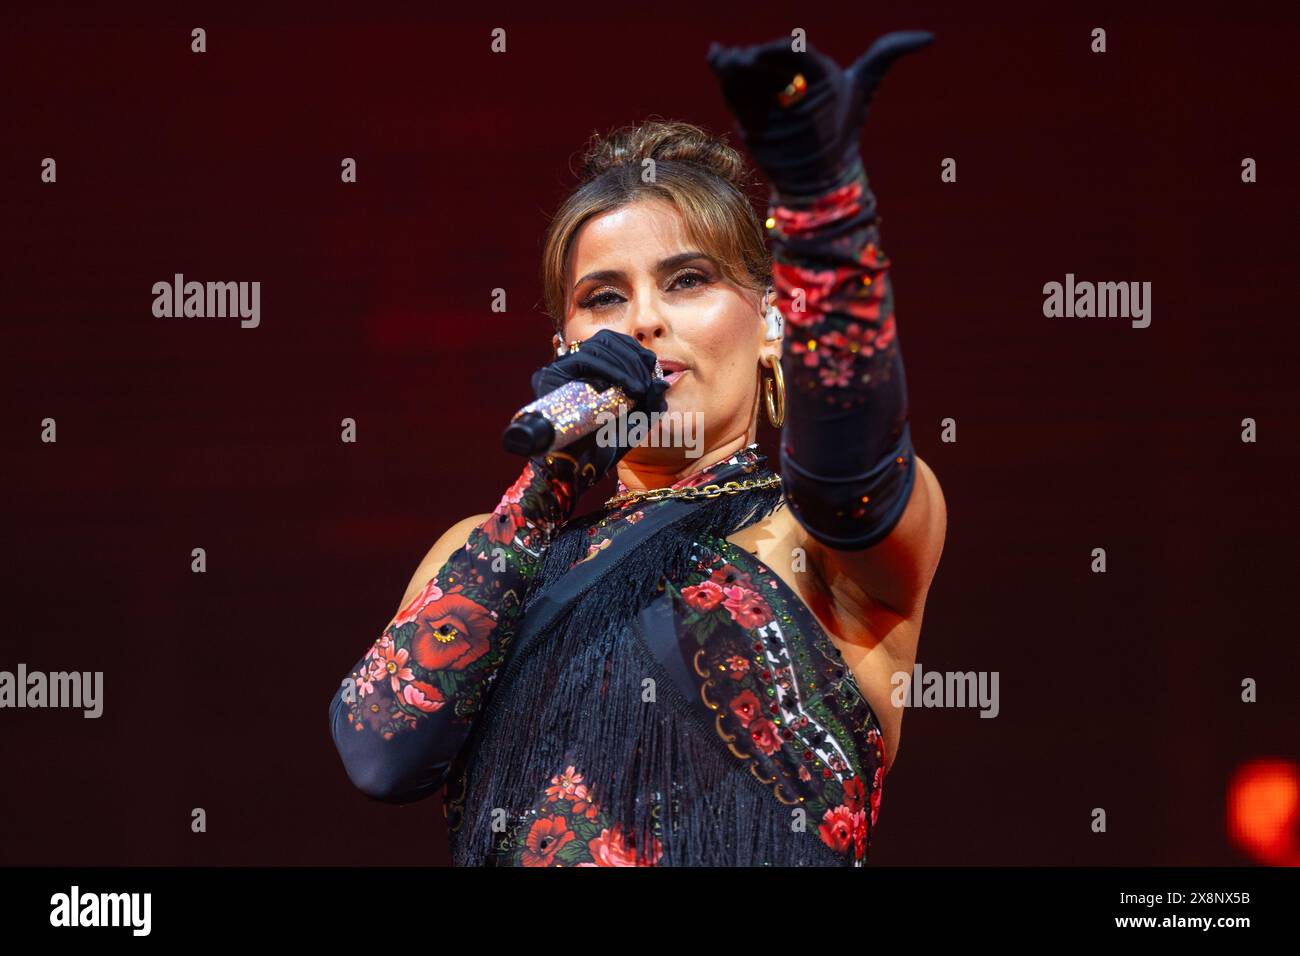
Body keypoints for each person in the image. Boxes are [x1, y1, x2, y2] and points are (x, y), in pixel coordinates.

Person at [329, 30, 946, 866]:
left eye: (687, 280)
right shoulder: (485, 552)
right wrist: (548, 479)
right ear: (565, 343)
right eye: (604, 297)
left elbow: (852, 455)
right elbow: (382, 752)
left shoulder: (811, 539)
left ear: (771, 324)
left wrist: (824, 211)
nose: (643, 320)